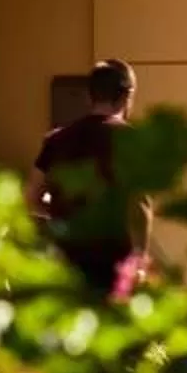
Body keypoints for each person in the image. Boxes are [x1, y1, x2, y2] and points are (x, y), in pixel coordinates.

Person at [29, 58, 150, 294]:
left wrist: (58, 214)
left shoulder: (56, 140)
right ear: (127, 96)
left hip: (66, 259)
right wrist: (140, 261)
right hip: (113, 263)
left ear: (89, 95)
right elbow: (140, 206)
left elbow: (31, 196)